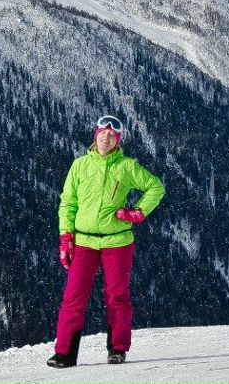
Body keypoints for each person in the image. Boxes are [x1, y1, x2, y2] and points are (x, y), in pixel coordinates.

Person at [47, 114, 165, 368]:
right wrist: (66, 237)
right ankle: (65, 353)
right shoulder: (80, 166)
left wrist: (138, 212)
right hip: (85, 242)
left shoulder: (127, 166)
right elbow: (68, 202)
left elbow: (156, 187)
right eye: (103, 132)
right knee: (74, 296)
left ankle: (118, 349)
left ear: (118, 140)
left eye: (112, 134)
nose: (107, 136)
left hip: (117, 242)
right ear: (95, 135)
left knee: (117, 295)